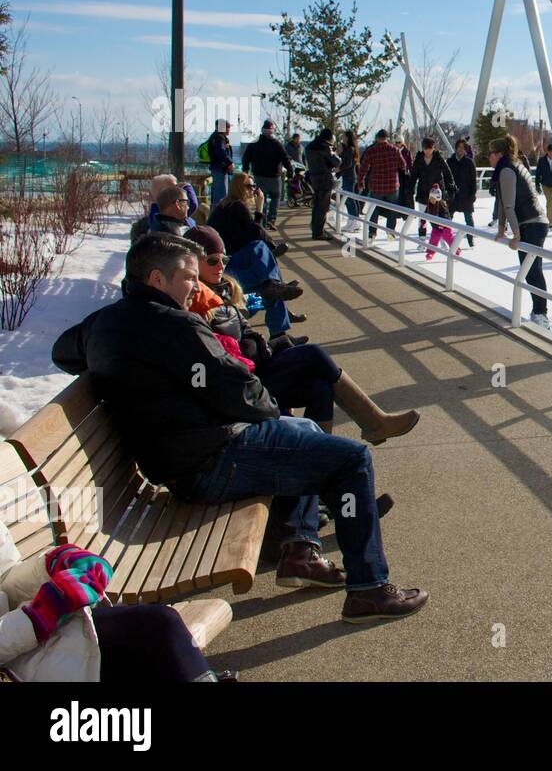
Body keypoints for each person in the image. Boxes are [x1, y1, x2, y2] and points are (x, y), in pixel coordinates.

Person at [51, 233, 429, 624]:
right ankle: (368, 590)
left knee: (304, 431)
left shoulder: (105, 322)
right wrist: (269, 410)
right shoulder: (178, 326)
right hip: (209, 462)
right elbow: (242, 394)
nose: (196, 287)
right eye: (187, 278)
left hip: (176, 460)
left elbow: (62, 352)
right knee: (352, 458)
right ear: (157, 280)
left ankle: (300, 550)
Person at [185, 226, 418, 443]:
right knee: (313, 354)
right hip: (239, 386)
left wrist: (268, 344)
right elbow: (223, 357)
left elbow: (245, 332)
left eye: (225, 260)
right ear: (193, 263)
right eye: (213, 260)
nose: (221, 266)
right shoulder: (195, 301)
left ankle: (319, 459)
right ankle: (374, 421)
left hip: (253, 370)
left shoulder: (223, 289)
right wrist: (271, 347)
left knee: (320, 388)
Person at [0, 524, 233, 681]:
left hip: (32, 640)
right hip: (15, 660)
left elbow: (5, 577)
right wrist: (38, 617)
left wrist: (53, 565)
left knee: (160, 625)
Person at [207, 173, 306, 348]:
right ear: (238, 187)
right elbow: (256, 233)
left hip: (232, 270)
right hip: (228, 269)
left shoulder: (225, 206)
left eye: (254, 186)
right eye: (249, 186)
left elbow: (247, 234)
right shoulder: (236, 206)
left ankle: (279, 337)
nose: (253, 190)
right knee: (259, 248)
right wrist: (260, 209)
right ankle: (276, 284)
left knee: (269, 291)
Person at [491, 135, 551, 329]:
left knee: (533, 271)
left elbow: (508, 206)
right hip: (531, 222)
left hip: (532, 224)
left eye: (490, 153)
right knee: (529, 271)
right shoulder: (510, 166)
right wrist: (501, 228)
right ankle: (538, 312)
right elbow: (503, 202)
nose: (488, 157)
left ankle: (541, 315)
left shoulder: (507, 170)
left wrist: (515, 234)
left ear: (499, 154)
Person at [241, 120, 292, 230]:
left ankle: (261, 221)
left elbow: (246, 157)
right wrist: (290, 170)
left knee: (261, 198)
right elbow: (285, 158)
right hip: (274, 175)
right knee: (276, 197)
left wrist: (245, 169)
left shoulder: (254, 143)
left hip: (259, 175)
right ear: (271, 131)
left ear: (262, 130)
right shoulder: (276, 144)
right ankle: (271, 220)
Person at [359, 129, 409, 235]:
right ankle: (390, 232)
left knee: (374, 210)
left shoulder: (371, 151)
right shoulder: (394, 150)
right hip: (392, 186)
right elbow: (403, 165)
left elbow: (363, 168)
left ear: (377, 138)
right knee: (392, 210)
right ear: (387, 138)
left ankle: (372, 233)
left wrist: (360, 182)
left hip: (376, 186)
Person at [412, 137, 458, 240]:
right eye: (425, 148)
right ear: (423, 148)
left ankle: (442, 238)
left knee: (438, 217)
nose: (427, 151)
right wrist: (410, 190)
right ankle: (422, 238)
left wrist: (450, 187)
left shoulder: (438, 158)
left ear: (433, 148)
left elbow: (448, 173)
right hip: (423, 192)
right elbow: (413, 175)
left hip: (437, 193)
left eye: (430, 148)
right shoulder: (419, 159)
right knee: (422, 217)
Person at [304, 128, 341, 240]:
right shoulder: (325, 147)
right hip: (325, 178)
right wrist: (336, 153)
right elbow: (337, 162)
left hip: (314, 177)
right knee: (323, 206)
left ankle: (316, 229)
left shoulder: (310, 147)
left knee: (316, 204)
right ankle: (318, 232)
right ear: (329, 138)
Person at [448, 138, 478, 247]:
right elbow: (446, 178)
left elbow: (473, 181)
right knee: (448, 219)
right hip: (453, 195)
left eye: (463, 148)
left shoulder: (469, 162)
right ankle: (448, 239)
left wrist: (472, 195)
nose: (460, 150)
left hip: (466, 195)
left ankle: (471, 239)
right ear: (456, 148)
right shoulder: (450, 161)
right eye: (459, 147)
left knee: (469, 219)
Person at [206, 119, 235, 206]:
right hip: (220, 169)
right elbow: (220, 152)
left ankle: (216, 213)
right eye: (227, 127)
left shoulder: (215, 137)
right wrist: (229, 163)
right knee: (221, 194)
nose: (229, 130)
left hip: (218, 168)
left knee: (218, 193)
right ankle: (220, 215)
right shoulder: (219, 138)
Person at [338, 130, 362, 226]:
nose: (342, 138)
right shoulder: (349, 149)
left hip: (349, 177)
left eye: (343, 136)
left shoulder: (349, 149)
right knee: (351, 199)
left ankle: (353, 221)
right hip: (350, 176)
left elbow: (348, 164)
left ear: (347, 137)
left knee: (350, 199)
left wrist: (339, 168)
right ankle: (353, 220)